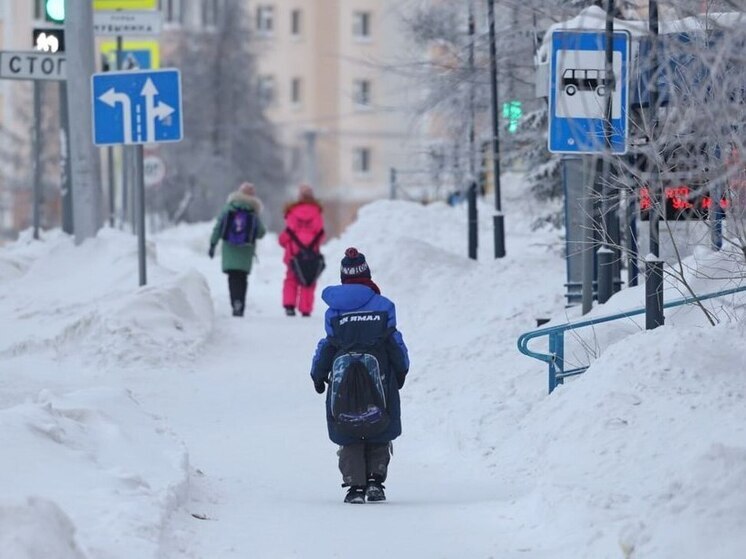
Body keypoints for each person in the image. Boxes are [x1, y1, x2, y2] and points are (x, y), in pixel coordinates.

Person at [309, 247, 409, 504]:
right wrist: (401, 369)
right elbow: (394, 342)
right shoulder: (383, 306)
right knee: (379, 425)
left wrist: (318, 374)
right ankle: (375, 482)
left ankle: (355, 487)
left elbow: (328, 345)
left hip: (343, 381)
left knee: (348, 427)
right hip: (380, 377)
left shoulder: (334, 311)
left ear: (343, 276)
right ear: (367, 274)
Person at [209, 182, 266, 317]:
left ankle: (235, 302)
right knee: (242, 278)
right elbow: (261, 232)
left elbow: (218, 227)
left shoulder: (229, 208)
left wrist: (213, 244)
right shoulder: (253, 211)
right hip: (246, 250)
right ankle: (240, 304)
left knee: (232, 277)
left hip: (230, 249)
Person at [278, 184, 325, 317]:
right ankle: (305, 309)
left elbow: (288, 233)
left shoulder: (292, 211)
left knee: (291, 278)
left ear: (299, 197)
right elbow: (321, 234)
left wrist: (283, 242)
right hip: (311, 253)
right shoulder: (317, 212)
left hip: (293, 252)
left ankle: (289, 305)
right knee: (309, 280)